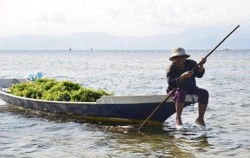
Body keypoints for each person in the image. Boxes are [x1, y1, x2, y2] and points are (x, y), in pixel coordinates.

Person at [166, 47, 209, 130]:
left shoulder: (192, 63)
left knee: (204, 93)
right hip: (175, 90)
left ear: (185, 57)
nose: (179, 59)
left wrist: (201, 65)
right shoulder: (170, 68)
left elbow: (199, 75)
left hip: (191, 88)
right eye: (176, 57)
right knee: (181, 92)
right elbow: (171, 83)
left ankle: (200, 119)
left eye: (181, 57)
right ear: (173, 59)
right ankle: (178, 118)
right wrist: (182, 76)